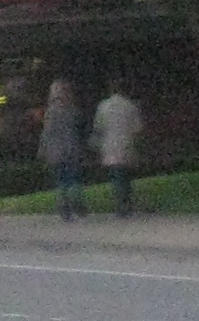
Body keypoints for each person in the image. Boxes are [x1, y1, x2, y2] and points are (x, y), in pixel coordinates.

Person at [39, 78, 88, 219]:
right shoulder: (73, 110)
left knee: (61, 179)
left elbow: (47, 133)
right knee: (74, 178)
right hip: (72, 148)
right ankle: (77, 201)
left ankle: (64, 205)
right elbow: (79, 128)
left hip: (56, 151)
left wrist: (43, 150)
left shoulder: (50, 112)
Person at [93, 84, 143, 214]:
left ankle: (121, 203)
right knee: (126, 175)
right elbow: (137, 128)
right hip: (126, 143)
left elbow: (99, 126)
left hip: (109, 144)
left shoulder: (103, 106)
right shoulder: (130, 106)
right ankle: (126, 202)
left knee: (116, 175)